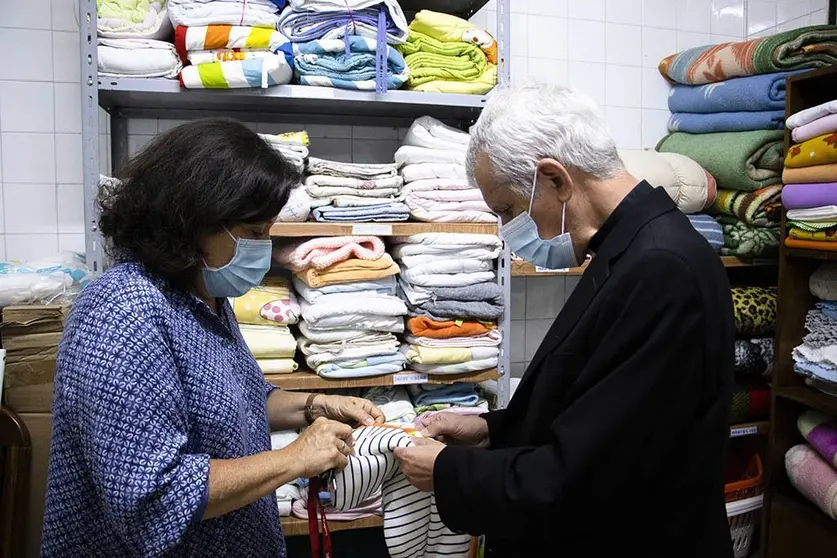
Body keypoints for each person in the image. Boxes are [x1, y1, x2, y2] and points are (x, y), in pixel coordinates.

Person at [394, 83, 735, 557]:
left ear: (554, 179)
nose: (511, 231)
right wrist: (492, 430)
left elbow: (597, 476)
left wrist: (447, 471)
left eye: (509, 210)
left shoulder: (662, 268)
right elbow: (596, 411)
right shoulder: (632, 249)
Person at [41, 119, 384, 557]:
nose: (264, 247)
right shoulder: (122, 314)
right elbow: (153, 496)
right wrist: (293, 458)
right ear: (193, 220)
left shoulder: (203, 295)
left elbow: (243, 399)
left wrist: (315, 405)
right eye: (255, 233)